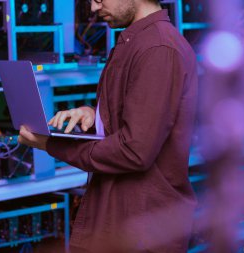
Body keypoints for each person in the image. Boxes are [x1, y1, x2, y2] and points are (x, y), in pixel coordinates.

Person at [18, 0, 198, 252]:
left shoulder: (158, 48)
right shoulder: (135, 42)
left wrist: (51, 144)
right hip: (118, 221)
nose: (93, 8)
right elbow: (136, 120)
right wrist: (93, 115)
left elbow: (134, 151)